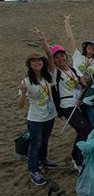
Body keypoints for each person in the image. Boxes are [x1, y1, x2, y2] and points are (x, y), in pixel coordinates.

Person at [32, 28, 91, 172]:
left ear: (66, 56)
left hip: (78, 103)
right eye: (57, 57)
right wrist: (43, 40)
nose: (60, 59)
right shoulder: (55, 72)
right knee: (84, 129)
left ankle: (75, 155)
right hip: (67, 105)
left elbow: (79, 85)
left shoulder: (72, 69)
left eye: (62, 56)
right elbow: (49, 58)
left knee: (84, 129)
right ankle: (77, 159)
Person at [18, 52, 57, 186]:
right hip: (35, 118)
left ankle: (43, 160)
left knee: (45, 140)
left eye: (39, 60)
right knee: (35, 145)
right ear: (29, 64)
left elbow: (51, 60)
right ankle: (33, 170)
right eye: (33, 61)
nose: (37, 63)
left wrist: (43, 41)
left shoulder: (48, 76)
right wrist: (23, 94)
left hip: (50, 115)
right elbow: (20, 106)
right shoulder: (26, 81)